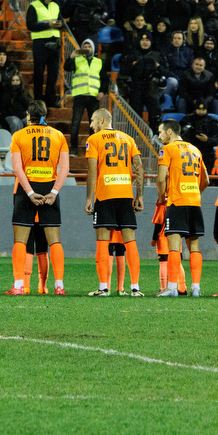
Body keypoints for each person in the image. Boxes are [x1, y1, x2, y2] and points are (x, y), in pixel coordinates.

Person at [0, 101, 70, 296]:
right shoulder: (58, 136)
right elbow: (65, 169)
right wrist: (54, 192)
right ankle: (59, 286)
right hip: (49, 188)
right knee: (54, 241)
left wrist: (29, 192)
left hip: (26, 189)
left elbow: (17, 168)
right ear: (46, 115)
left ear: (29, 115)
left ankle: (19, 285)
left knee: (21, 240)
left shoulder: (19, 135)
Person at [83, 109, 144, 298]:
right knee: (130, 240)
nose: (91, 125)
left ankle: (103, 288)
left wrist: (89, 198)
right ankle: (135, 288)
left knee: (102, 240)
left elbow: (92, 170)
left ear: (101, 120)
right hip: (125, 194)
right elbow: (139, 167)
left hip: (105, 194)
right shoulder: (128, 139)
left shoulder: (94, 140)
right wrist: (139, 195)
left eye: (92, 121)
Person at [157, 119, 206, 298]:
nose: (159, 135)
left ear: (170, 132)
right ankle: (196, 288)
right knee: (194, 246)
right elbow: (206, 180)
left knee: (174, 247)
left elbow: (161, 178)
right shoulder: (195, 149)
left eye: (161, 132)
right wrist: (195, 193)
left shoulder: (167, 149)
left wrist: (162, 198)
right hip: (194, 202)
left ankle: (171, 288)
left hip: (176, 201)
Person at [27, 0, 64, 106]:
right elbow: (30, 25)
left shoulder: (55, 6)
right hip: (40, 43)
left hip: (54, 42)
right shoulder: (34, 6)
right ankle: (38, 99)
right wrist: (48, 25)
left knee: (53, 74)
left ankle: (50, 99)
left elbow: (60, 20)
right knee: (39, 72)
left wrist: (60, 25)